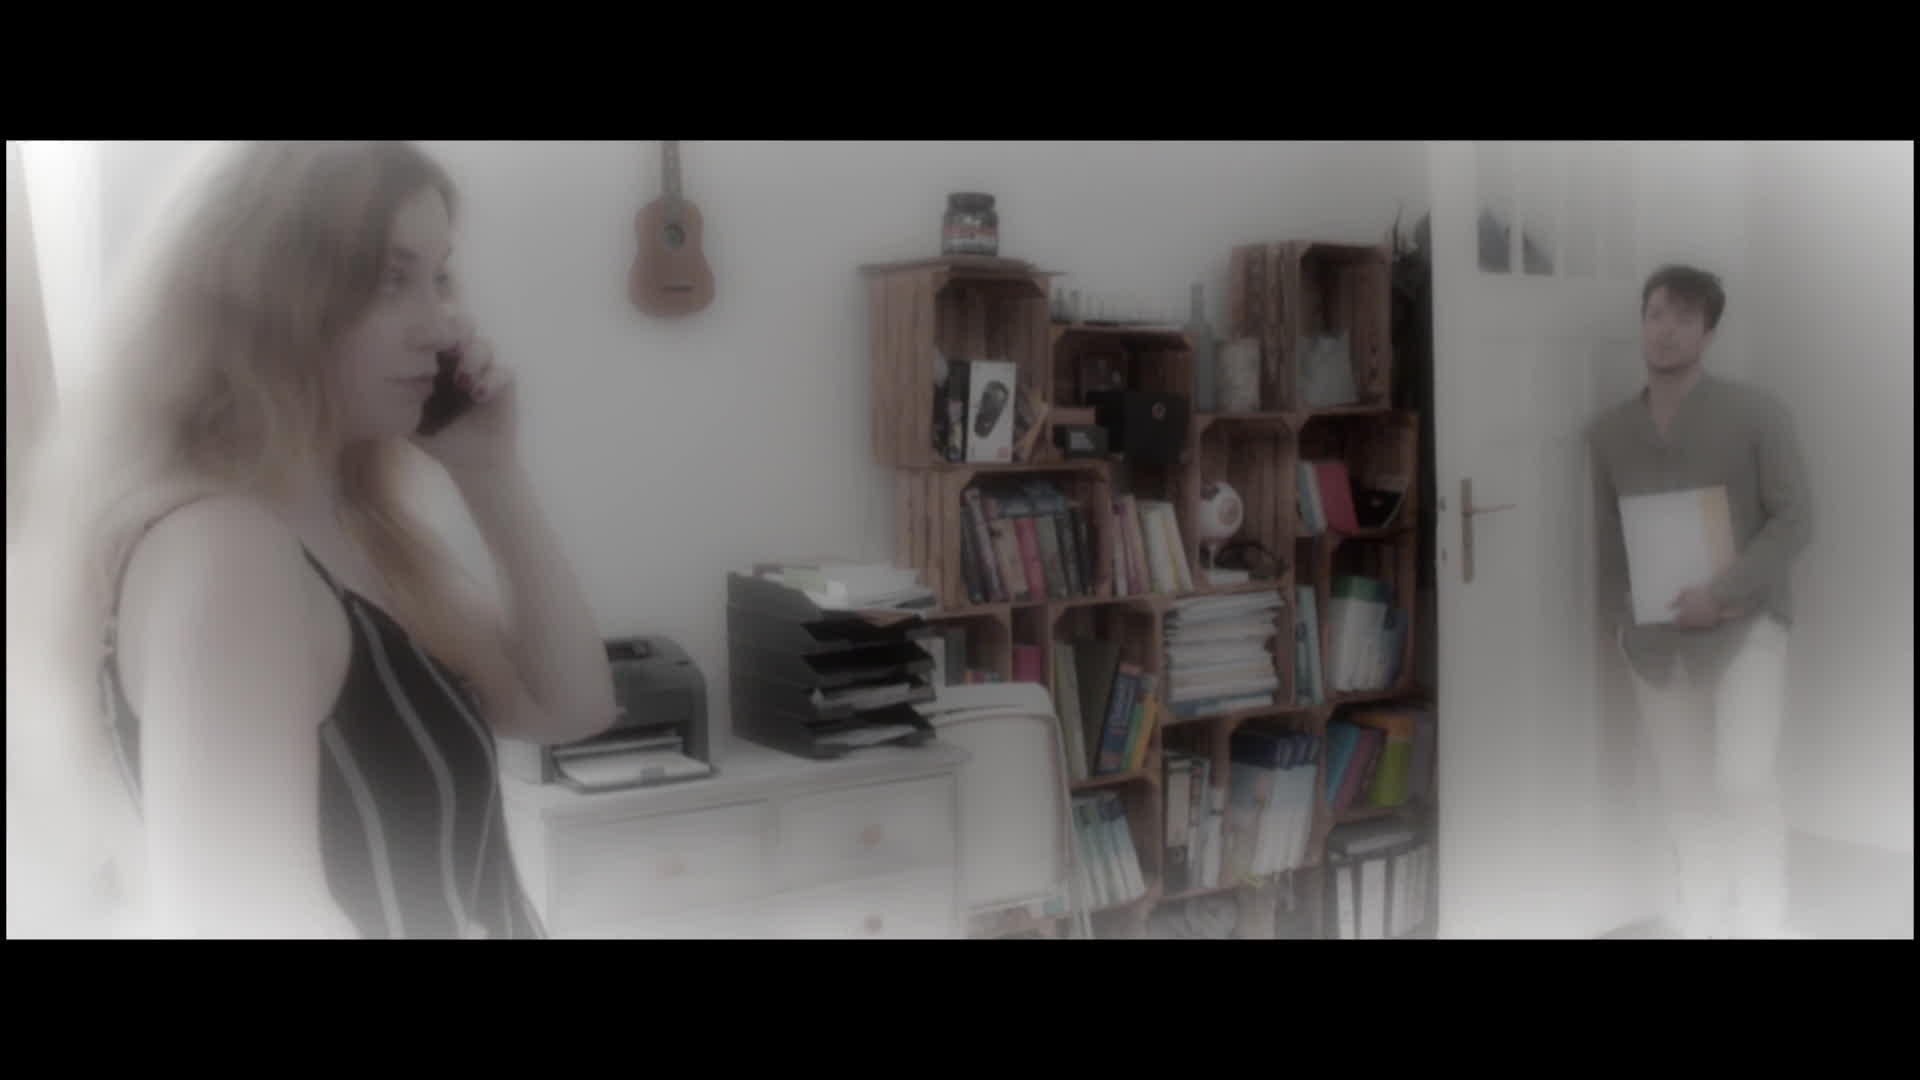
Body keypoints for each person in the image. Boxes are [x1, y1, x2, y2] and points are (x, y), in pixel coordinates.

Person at [5, 141, 618, 939]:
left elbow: (568, 708)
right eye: (388, 279)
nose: (442, 325)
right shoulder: (224, 550)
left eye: (439, 277)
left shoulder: (348, 532)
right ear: (262, 298)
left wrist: (490, 470)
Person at [1586, 265, 1813, 940]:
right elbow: (1608, 542)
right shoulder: (1609, 432)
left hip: (1746, 628)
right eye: (1656, 314)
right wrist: (1622, 622)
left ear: (1708, 333)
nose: (1667, 331)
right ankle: (1703, 919)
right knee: (1685, 794)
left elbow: (1795, 521)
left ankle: (1764, 920)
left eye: (1685, 318)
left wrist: (1724, 594)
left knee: (1744, 781)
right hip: (1655, 643)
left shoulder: (1758, 413)